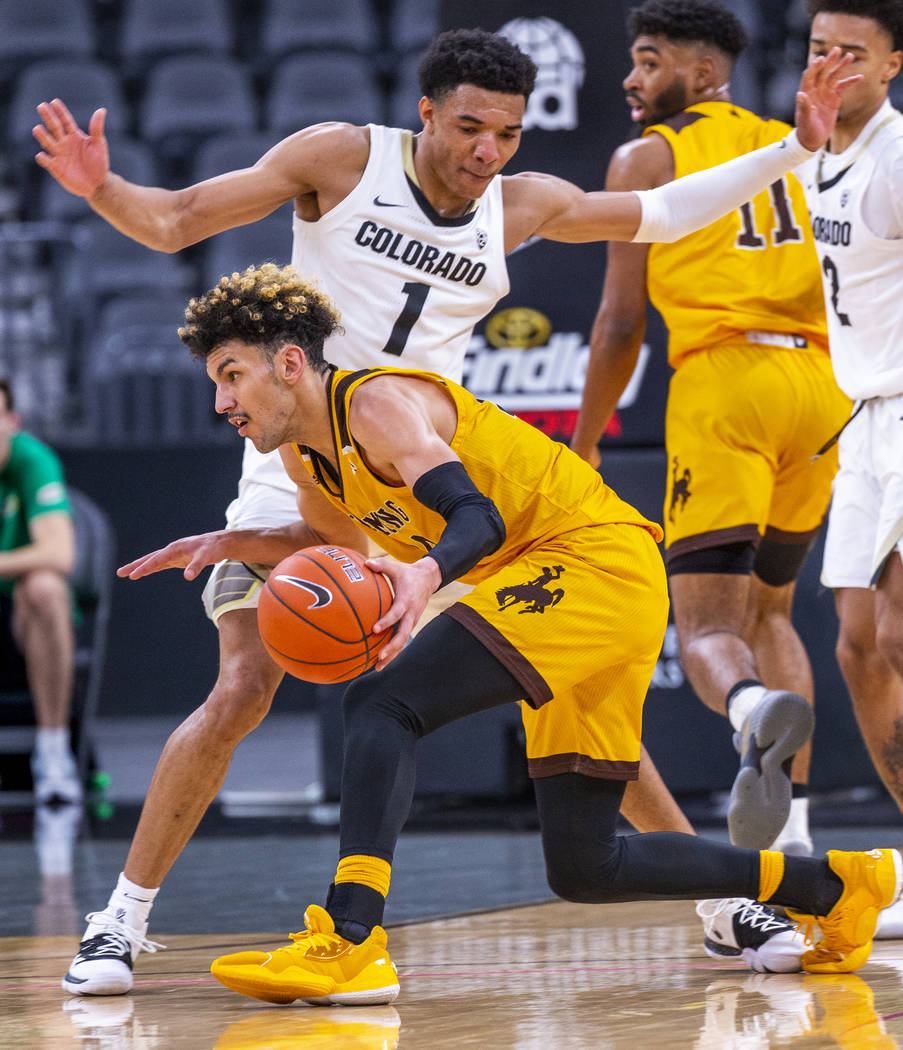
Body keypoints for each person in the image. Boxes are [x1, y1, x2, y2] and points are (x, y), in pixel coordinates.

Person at [37, 29, 852, 994]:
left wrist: (796, 148)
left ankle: (729, 910)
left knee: (566, 693)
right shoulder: (340, 157)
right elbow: (174, 220)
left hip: (430, 477)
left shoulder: (519, 205)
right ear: (424, 113)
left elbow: (665, 211)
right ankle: (120, 921)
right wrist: (101, 189)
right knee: (244, 682)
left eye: (506, 132)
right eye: (468, 126)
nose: (486, 151)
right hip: (308, 457)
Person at [144, 261, 903, 1004]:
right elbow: (346, 548)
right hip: (580, 578)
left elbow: (477, 516)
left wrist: (424, 576)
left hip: (590, 559)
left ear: (287, 363)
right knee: (586, 866)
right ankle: (837, 884)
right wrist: (231, 541)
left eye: (231, 374)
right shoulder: (309, 463)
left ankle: (351, 943)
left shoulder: (375, 404)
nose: (221, 400)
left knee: (382, 705)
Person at [570, 0, 852, 861]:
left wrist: (584, 442)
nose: (629, 78)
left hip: (725, 380)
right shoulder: (804, 140)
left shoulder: (645, 156)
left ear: (699, 74)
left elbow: (621, 325)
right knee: (772, 611)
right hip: (821, 386)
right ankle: (795, 842)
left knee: (705, 633)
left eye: (648, 61)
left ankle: (744, 709)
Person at [797, 4, 903, 864]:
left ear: (892, 65)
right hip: (863, 415)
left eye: (853, 53)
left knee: (899, 634)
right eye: (818, 49)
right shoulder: (815, 157)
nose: (833, 64)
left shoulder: (897, 159)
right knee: (859, 647)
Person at [0, 377, 79, 805]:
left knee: (46, 586)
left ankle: (53, 754)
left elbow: (59, 552)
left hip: (16, 614)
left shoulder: (32, 461)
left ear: (12, 421)